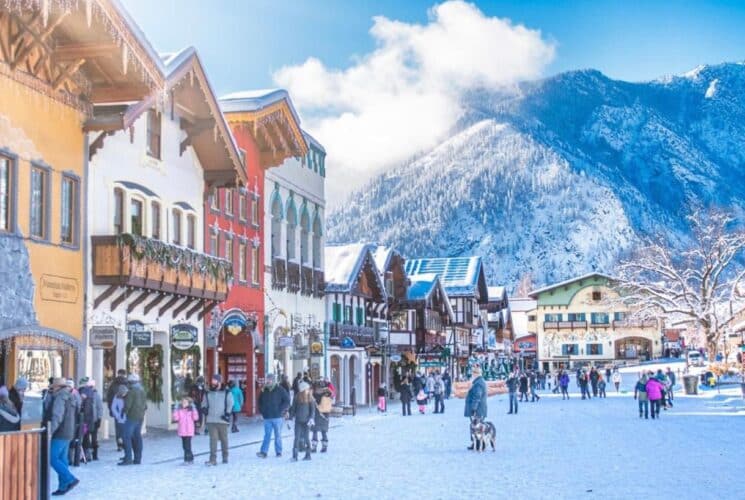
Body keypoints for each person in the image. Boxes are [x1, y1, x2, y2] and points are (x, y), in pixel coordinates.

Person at [48, 378, 80, 495]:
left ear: (57, 387)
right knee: (62, 459)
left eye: (53, 388)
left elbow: (57, 416)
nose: (52, 390)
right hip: (69, 431)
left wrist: (50, 431)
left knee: (52, 458)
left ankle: (70, 479)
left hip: (60, 432)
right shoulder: (71, 396)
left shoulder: (60, 397)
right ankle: (63, 486)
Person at [256, 373, 291, 458]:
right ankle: (264, 452)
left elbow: (287, 400)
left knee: (278, 435)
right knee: (267, 435)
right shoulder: (264, 390)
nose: (268, 381)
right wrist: (262, 411)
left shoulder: (280, 389)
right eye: (267, 379)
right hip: (267, 417)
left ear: (273, 380)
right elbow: (259, 401)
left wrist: (281, 409)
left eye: (269, 379)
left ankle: (278, 451)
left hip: (277, 417)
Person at [203, 374, 233, 466]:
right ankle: (213, 459)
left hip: (222, 420)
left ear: (219, 382)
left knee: (224, 439)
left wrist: (227, 414)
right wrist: (204, 408)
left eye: (214, 381)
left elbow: (230, 403)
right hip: (211, 420)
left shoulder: (226, 392)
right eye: (212, 381)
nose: (212, 383)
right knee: (213, 440)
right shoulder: (208, 392)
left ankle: (225, 456)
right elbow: (204, 403)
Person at [120, 373, 146, 466]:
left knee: (126, 437)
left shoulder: (131, 391)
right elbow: (145, 405)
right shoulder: (142, 390)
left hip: (132, 417)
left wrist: (123, 413)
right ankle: (137, 458)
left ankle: (128, 458)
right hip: (140, 416)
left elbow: (128, 405)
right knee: (137, 436)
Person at [289, 381, 316, 461]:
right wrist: (290, 418)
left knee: (301, 438)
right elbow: (293, 409)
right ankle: (302, 455)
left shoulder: (309, 397)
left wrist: (311, 418)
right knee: (303, 438)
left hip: (304, 421)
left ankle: (297, 456)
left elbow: (312, 410)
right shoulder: (298, 397)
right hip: (302, 420)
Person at [79, 379, 104, 462]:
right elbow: (100, 408)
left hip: (92, 420)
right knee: (88, 437)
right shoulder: (85, 394)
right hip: (89, 420)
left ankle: (94, 455)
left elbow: (99, 407)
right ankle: (89, 455)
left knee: (92, 438)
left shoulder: (95, 395)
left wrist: (99, 418)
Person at [465, 366, 488, 449]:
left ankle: (479, 444)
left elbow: (477, 397)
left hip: (478, 410)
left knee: (476, 427)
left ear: (476, 374)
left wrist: (473, 408)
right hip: (479, 409)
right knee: (477, 426)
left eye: (473, 373)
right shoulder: (479, 382)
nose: (472, 375)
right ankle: (477, 444)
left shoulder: (478, 383)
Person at [172, 396, 199, 464]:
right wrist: (175, 410)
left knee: (187, 446)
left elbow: (196, 418)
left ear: (189, 403)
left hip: (189, 431)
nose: (183, 403)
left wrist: (194, 409)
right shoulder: (179, 410)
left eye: (185, 402)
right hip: (182, 431)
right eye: (182, 402)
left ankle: (187, 459)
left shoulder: (191, 410)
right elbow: (176, 418)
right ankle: (191, 458)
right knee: (184, 446)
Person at [106, 369, 129, 450]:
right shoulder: (128, 384)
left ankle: (119, 444)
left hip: (116, 409)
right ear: (125, 374)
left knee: (118, 427)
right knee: (126, 427)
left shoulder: (113, 384)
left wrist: (111, 410)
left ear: (118, 374)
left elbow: (109, 397)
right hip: (126, 410)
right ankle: (126, 444)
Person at [312, 379, 333, 453]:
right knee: (323, 432)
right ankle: (324, 446)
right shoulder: (327, 395)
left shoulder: (314, 395)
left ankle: (314, 447)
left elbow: (312, 405)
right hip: (325, 416)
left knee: (315, 431)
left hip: (317, 415)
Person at [111, 385, 128, 459]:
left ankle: (125, 446)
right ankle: (120, 445)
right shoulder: (117, 396)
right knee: (119, 433)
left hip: (126, 418)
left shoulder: (128, 396)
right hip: (120, 418)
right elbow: (113, 407)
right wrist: (118, 416)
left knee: (125, 433)